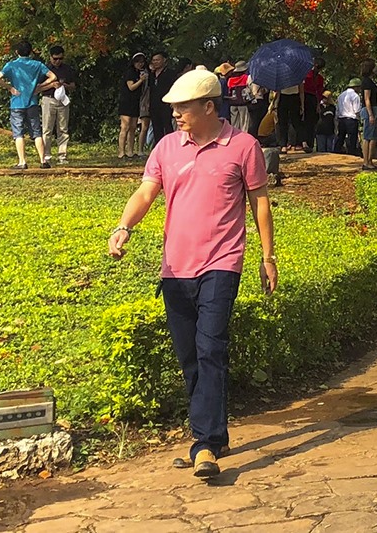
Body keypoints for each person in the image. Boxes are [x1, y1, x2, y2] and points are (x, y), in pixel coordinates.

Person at [107, 70, 277, 480]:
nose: (176, 114)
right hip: (174, 267)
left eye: (183, 107)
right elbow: (147, 192)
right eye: (174, 107)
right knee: (190, 356)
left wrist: (268, 256)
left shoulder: (243, 146)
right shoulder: (166, 147)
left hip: (222, 262)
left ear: (208, 107)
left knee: (210, 348)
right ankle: (214, 435)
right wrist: (124, 226)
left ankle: (204, 443)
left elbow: (260, 203)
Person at [0, 40, 55, 170]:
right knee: (37, 132)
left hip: (17, 103)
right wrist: (41, 86)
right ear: (31, 52)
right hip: (32, 101)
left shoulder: (11, 65)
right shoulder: (37, 64)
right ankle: (43, 160)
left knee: (18, 133)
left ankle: (22, 161)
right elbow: (53, 77)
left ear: (17, 52)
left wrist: (9, 87)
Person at [41, 44, 77, 166]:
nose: (57, 61)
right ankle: (46, 156)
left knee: (63, 128)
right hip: (48, 99)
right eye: (55, 59)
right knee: (47, 129)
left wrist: (64, 85)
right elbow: (37, 88)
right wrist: (51, 85)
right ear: (50, 57)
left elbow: (73, 86)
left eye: (60, 59)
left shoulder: (67, 69)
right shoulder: (44, 69)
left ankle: (62, 155)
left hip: (62, 100)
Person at [118, 54, 148, 160]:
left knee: (133, 127)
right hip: (126, 102)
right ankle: (121, 152)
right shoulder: (130, 72)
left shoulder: (139, 72)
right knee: (125, 127)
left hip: (135, 102)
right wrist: (141, 80)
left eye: (142, 62)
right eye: (138, 62)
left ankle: (130, 152)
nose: (140, 64)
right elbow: (131, 87)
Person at [149, 50, 176, 143]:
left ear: (164, 60)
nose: (155, 62)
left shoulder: (170, 73)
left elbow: (174, 88)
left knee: (167, 126)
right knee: (156, 127)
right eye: (154, 60)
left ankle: (171, 145)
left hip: (166, 104)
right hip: (154, 104)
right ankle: (158, 147)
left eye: (158, 60)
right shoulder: (151, 74)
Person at [359, 59, 377, 171]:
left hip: (373, 109)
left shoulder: (370, 81)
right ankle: (367, 161)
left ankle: (369, 160)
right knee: (368, 136)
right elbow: (367, 99)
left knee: (373, 136)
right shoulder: (366, 82)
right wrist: (370, 114)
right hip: (369, 109)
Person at [302, 60, 325, 152]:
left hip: (313, 98)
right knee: (304, 121)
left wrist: (318, 104)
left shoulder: (320, 78)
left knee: (311, 122)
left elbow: (319, 92)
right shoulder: (307, 75)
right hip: (305, 96)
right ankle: (304, 142)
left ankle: (310, 143)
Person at [276, 80, 304, 152]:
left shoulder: (297, 76)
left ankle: (300, 142)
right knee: (285, 122)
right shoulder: (297, 75)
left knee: (295, 122)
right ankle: (284, 145)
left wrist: (302, 104)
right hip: (287, 97)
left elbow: (301, 91)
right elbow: (301, 91)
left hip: (291, 97)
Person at [335, 82, 361, 154]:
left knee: (341, 137)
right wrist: (359, 118)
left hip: (342, 119)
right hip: (351, 119)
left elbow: (337, 108)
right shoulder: (355, 96)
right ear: (356, 87)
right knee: (352, 138)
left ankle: (336, 151)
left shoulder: (341, 95)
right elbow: (356, 110)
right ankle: (351, 153)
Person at [226, 60, 251, 132]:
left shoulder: (230, 80)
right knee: (244, 123)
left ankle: (235, 137)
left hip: (232, 103)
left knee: (234, 124)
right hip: (243, 103)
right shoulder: (246, 77)